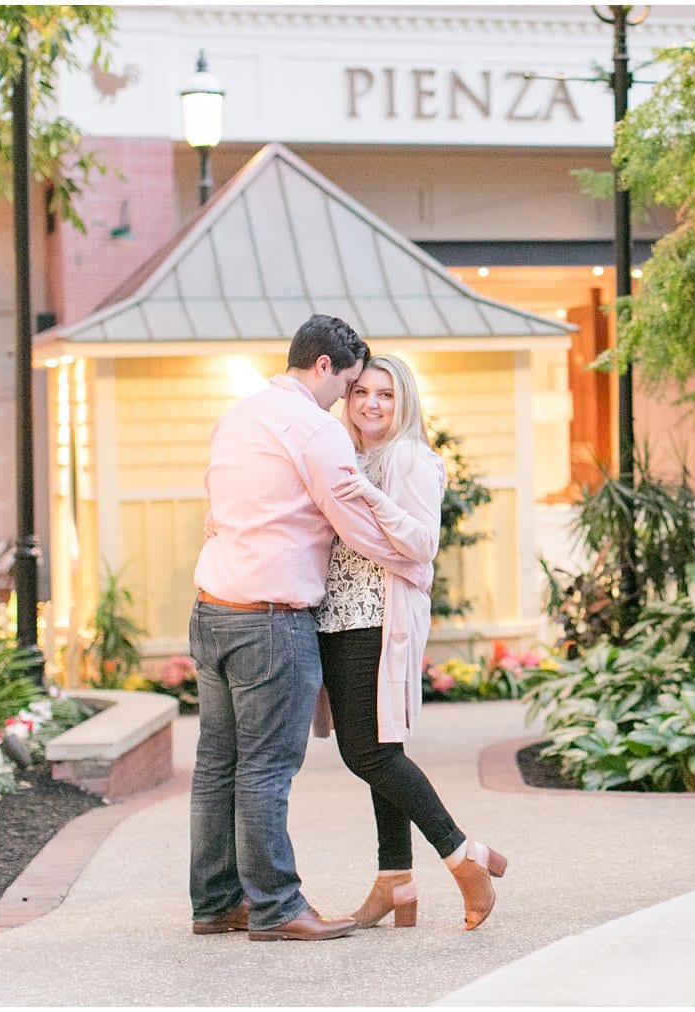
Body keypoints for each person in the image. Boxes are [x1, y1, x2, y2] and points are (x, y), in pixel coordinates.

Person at [189, 316, 432, 943]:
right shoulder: (315, 428)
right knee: (266, 768)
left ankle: (216, 902)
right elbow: (351, 522)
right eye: (349, 383)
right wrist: (412, 559)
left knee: (217, 763)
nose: (348, 399)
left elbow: (214, 513)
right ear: (324, 367)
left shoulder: (238, 416)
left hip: (212, 608)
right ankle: (275, 907)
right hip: (271, 619)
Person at [312, 354, 508, 931]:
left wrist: (367, 497)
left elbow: (421, 543)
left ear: (405, 404)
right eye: (361, 393)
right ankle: (395, 881)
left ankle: (461, 853)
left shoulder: (411, 457)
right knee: (380, 753)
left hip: (377, 618)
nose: (370, 403)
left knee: (368, 753)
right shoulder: (352, 456)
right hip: (339, 618)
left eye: (386, 395)